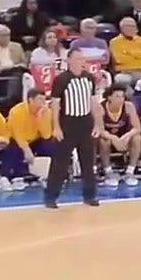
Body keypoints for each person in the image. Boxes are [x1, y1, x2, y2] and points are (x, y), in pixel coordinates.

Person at [44, 49, 102, 209]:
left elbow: (94, 103)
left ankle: (89, 196)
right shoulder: (61, 79)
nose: (80, 61)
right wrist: (56, 127)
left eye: (82, 58)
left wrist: (97, 124)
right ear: (68, 60)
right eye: (77, 58)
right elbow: (55, 104)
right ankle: (51, 197)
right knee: (60, 163)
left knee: (88, 162)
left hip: (85, 123)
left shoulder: (89, 78)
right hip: (67, 123)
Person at [3, 88, 55, 189]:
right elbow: (18, 134)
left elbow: (46, 135)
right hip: (16, 139)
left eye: (44, 100)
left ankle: (43, 175)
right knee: (15, 148)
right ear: (31, 100)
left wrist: (40, 117)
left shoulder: (46, 112)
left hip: (34, 139)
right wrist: (26, 150)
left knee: (49, 145)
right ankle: (10, 177)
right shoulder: (17, 111)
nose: (43, 103)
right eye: (40, 99)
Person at [97, 86, 141, 187]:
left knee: (137, 138)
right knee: (104, 140)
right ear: (109, 98)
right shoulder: (101, 108)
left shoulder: (128, 106)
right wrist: (114, 138)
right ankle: (108, 172)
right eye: (117, 96)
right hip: (108, 138)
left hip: (123, 138)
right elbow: (100, 130)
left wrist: (126, 136)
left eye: (122, 96)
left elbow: (137, 128)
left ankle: (130, 172)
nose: (121, 99)